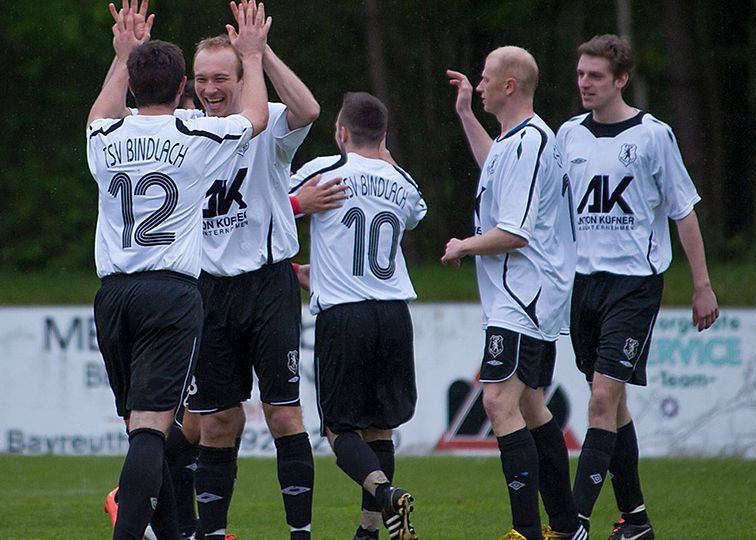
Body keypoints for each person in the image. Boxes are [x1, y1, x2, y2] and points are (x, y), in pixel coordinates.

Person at [86, 0, 270, 538]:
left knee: (143, 430)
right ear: (184, 84)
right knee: (151, 432)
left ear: (132, 83)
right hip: (169, 292)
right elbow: (256, 118)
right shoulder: (195, 137)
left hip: (113, 294)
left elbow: (102, 109)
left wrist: (122, 55)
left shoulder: (103, 138)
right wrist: (252, 57)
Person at [557, 34, 719, 540]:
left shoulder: (653, 135)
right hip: (584, 286)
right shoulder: (568, 135)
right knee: (614, 403)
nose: (585, 83)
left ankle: (572, 521)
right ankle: (638, 522)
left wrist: (702, 286)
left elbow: (683, 211)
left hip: (634, 286)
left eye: (596, 76)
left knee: (603, 400)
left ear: (621, 80)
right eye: (581, 74)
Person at [168, 3, 322, 538]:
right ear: (190, 82)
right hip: (206, 292)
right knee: (217, 422)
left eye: (223, 78)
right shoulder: (181, 128)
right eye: (203, 79)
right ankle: (211, 532)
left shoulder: (268, 124)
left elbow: (307, 109)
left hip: (268, 285)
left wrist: (261, 54)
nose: (213, 88)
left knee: (284, 415)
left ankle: (299, 532)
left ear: (239, 77)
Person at [443, 47, 586, 540]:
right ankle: (567, 527)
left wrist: (464, 245)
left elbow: (516, 232)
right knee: (530, 408)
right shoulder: (515, 141)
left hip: (523, 296)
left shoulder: (529, 143)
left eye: (484, 80)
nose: (477, 85)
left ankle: (526, 530)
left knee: (497, 405)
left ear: (509, 86)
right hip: (526, 296)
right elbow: (493, 168)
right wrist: (464, 113)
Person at [290, 92, 426, 540]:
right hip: (392, 314)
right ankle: (368, 533)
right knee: (380, 426)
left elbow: (277, 205)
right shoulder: (401, 180)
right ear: (383, 135)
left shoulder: (323, 171)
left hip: (345, 318)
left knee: (339, 428)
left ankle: (386, 496)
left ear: (341, 133)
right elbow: (413, 215)